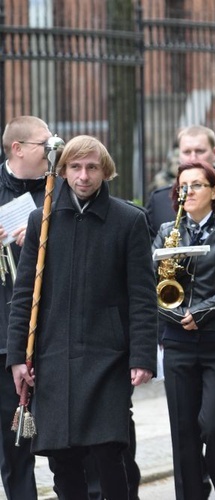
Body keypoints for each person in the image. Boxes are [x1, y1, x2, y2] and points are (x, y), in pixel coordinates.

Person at [6, 135, 157, 499]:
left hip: (108, 357)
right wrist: (16, 359)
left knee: (108, 451)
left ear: (105, 171)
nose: (84, 176)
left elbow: (142, 297)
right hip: (53, 355)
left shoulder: (129, 220)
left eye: (91, 167)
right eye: (75, 167)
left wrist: (142, 357)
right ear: (62, 171)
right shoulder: (42, 219)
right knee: (62, 457)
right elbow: (23, 294)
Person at [145, 125, 215, 497]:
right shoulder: (165, 232)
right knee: (183, 431)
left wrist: (203, 312)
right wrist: (177, 318)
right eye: (182, 187)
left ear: (214, 191)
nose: (187, 192)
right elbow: (153, 287)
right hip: (177, 342)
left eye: (196, 185)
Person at [0, 115, 56, 499]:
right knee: (12, 443)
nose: (53, 150)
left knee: (53, 440)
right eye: (45, 144)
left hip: (49, 334)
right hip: (2, 333)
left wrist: (41, 240)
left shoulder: (59, 186)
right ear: (18, 149)